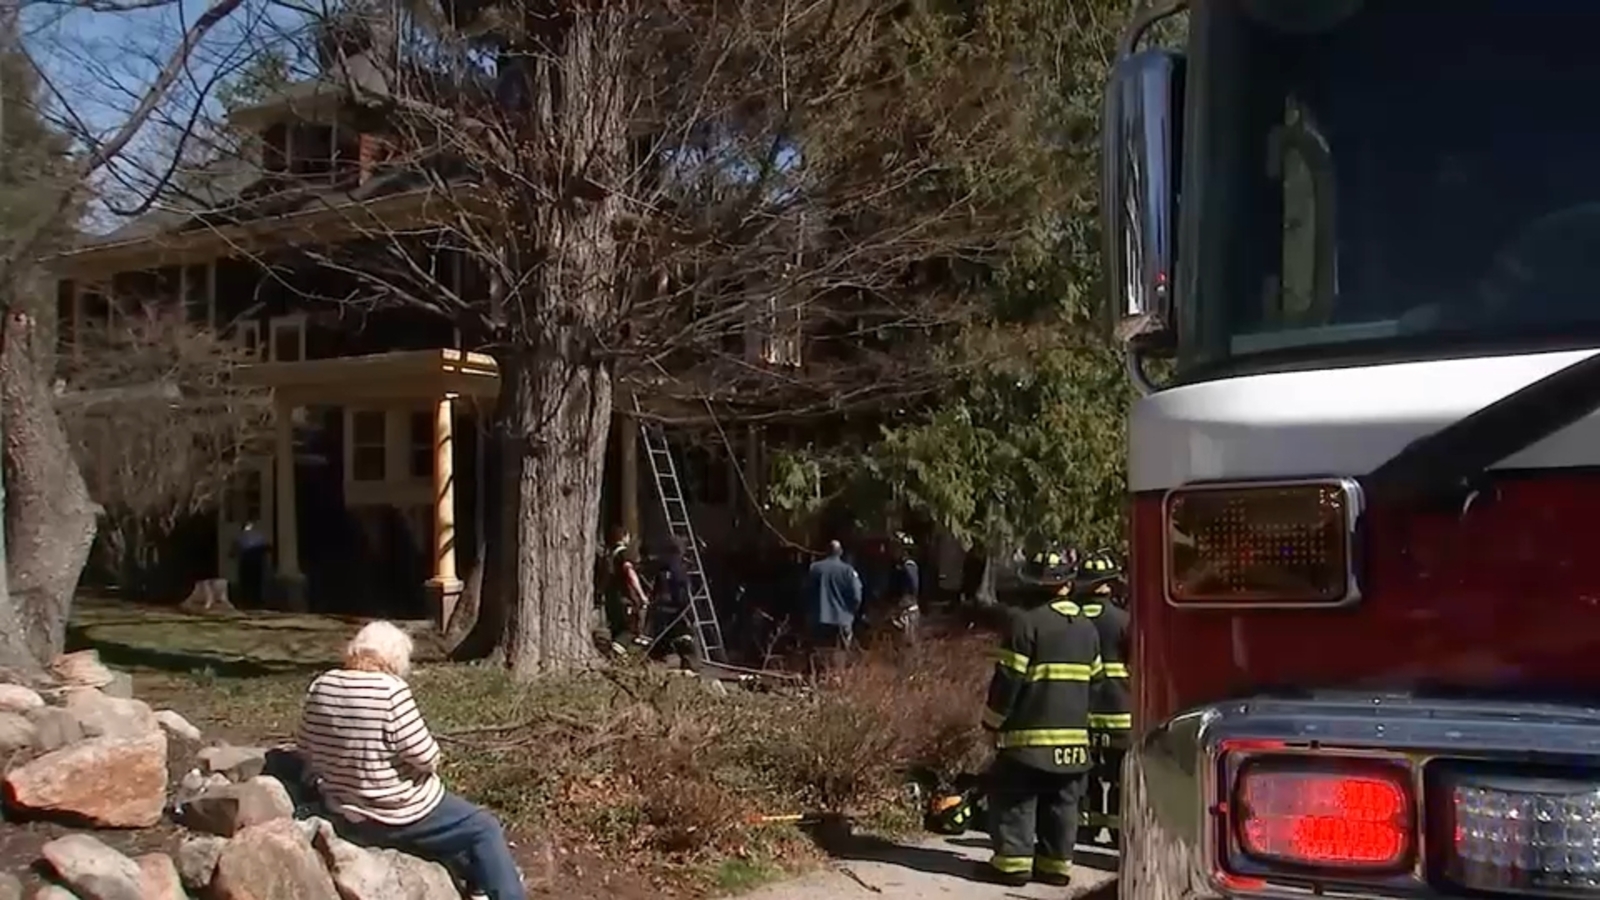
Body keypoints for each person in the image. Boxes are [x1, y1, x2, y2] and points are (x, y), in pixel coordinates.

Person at [295, 622, 526, 900]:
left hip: (346, 810)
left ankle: (477, 885)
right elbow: (425, 757)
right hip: (399, 813)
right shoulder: (391, 691)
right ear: (395, 657)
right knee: (483, 828)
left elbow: (305, 746)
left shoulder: (322, 685)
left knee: (459, 833)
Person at [976, 579, 1105, 887]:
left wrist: (992, 721)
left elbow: (1008, 681)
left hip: (1027, 740)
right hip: (1073, 743)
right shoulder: (1087, 628)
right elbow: (1097, 682)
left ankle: (1012, 865)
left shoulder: (1026, 623)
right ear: (1068, 584)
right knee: (1062, 805)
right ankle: (1055, 866)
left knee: (1015, 800)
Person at [804, 539, 862, 676]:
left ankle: (817, 679)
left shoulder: (814, 569)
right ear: (840, 552)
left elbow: (806, 592)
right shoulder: (848, 571)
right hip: (842, 620)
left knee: (817, 653)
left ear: (826, 551)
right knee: (840, 654)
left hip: (818, 619)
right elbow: (857, 596)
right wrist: (851, 613)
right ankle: (836, 679)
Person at [599, 526, 649, 649]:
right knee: (630, 628)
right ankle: (617, 647)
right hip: (625, 595)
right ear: (624, 537)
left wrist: (601, 592)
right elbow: (630, 573)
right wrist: (641, 595)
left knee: (617, 627)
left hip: (611, 596)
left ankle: (617, 652)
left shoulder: (608, 554)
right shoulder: (623, 554)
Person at [234, 521, 269, 607]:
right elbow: (265, 547)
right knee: (256, 582)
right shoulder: (259, 535)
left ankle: (247, 599)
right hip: (256, 561)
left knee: (247, 582)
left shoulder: (241, 536)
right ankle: (256, 599)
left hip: (247, 561)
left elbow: (236, 548)